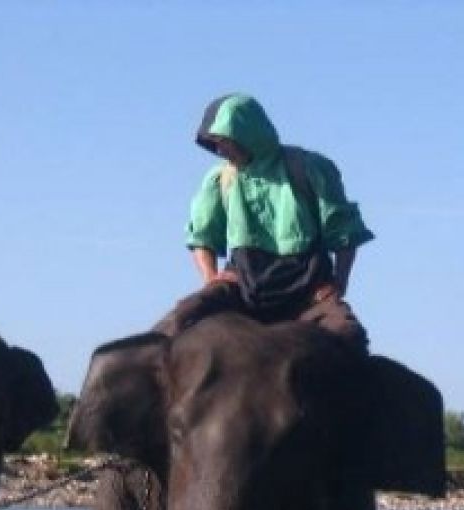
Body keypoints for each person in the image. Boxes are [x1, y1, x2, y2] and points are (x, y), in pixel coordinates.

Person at [156, 93, 375, 354]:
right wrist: (211, 278)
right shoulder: (219, 179)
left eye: (224, 142)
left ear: (247, 134)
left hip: (308, 289)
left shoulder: (310, 168)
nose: (220, 151)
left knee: (348, 335)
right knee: (176, 321)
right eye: (215, 144)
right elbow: (201, 237)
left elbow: (344, 232)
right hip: (242, 284)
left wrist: (339, 282)